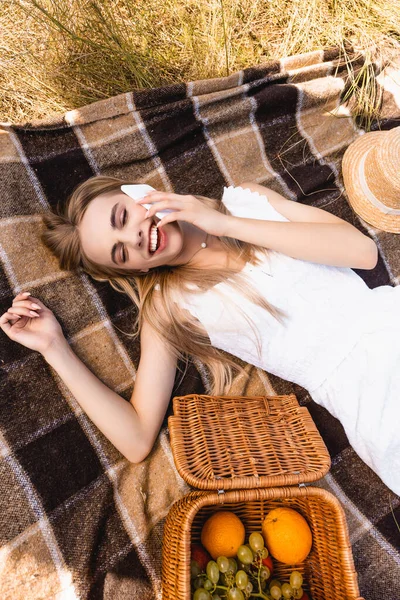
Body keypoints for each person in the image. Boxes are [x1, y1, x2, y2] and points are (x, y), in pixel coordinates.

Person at [1, 176, 399, 496]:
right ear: (135, 271)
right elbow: (137, 439)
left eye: (122, 217)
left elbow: (361, 252)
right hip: (367, 399)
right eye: (121, 254)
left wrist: (224, 223)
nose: (133, 239)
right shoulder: (171, 305)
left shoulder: (246, 201)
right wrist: (54, 348)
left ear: (139, 192)